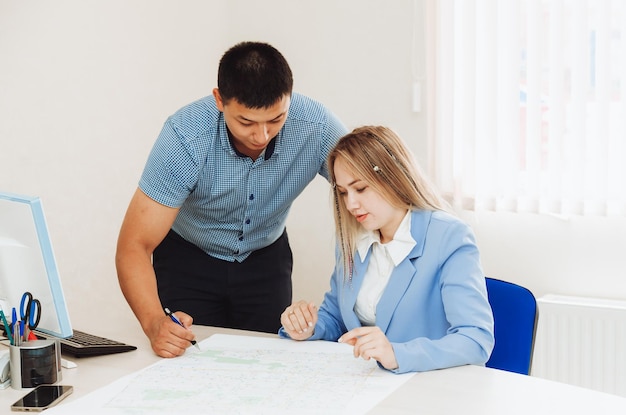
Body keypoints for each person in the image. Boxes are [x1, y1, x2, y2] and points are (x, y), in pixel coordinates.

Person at [116, 41, 347, 358]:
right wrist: (154, 322)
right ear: (219, 101)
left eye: (276, 120)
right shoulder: (184, 137)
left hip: (266, 258)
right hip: (188, 257)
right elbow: (134, 245)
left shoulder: (317, 126)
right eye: (247, 122)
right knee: (189, 360)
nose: (262, 136)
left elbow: (371, 183)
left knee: (268, 359)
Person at [279, 126, 494, 374]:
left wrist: (397, 354)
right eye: (343, 192)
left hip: (428, 386)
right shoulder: (352, 238)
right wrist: (309, 325)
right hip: (368, 384)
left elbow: (475, 339)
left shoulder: (448, 237)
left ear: (392, 177)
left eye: (360, 189)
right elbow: (338, 317)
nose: (351, 204)